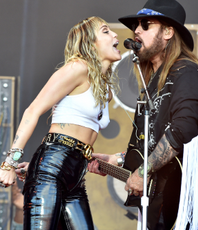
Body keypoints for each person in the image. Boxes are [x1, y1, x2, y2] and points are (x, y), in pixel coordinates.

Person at [88, 0, 198, 229]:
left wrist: (142, 172)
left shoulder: (186, 71)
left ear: (169, 32)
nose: (137, 30)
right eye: (135, 26)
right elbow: (152, 140)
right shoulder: (152, 81)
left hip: (181, 196)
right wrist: (116, 160)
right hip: (157, 197)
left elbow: (182, 129)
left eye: (145, 24)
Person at [0, 16, 121, 230]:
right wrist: (9, 163)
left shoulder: (105, 89)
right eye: (105, 31)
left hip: (75, 174)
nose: (115, 35)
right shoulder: (77, 68)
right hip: (52, 167)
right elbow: (32, 111)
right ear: (89, 42)